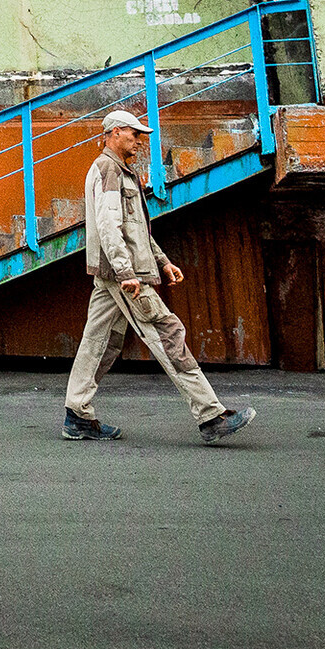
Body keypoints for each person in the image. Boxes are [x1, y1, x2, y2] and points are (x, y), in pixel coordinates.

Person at [62, 110, 256, 446]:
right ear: (115, 132)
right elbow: (110, 227)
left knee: (100, 343)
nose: (139, 141)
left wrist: (162, 261)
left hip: (115, 275)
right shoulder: (109, 169)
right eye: (134, 134)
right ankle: (210, 415)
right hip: (125, 276)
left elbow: (135, 229)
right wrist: (127, 273)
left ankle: (77, 415)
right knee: (167, 333)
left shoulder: (122, 172)